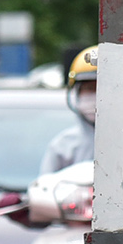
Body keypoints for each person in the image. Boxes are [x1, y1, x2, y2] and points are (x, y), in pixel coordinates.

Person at [40, 44, 99, 175]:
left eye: (101, 88)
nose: (96, 95)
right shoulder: (62, 147)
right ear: (77, 93)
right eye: (89, 89)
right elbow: (45, 189)